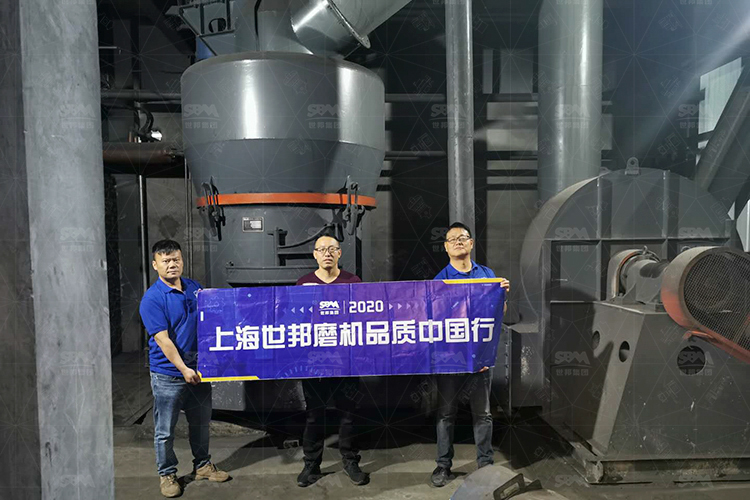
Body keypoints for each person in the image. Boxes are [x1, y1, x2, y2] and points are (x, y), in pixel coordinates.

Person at [139, 239, 229, 498]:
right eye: (166, 261)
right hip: (168, 374)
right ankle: (167, 474)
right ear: (155, 265)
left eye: (176, 259)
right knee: (165, 430)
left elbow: (211, 321)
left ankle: (202, 466)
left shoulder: (194, 287)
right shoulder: (152, 299)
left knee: (200, 423)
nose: (172, 265)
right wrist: (183, 369)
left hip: (199, 370)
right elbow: (163, 340)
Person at [431, 222, 510, 487]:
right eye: (452, 239)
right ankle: (443, 465)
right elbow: (435, 323)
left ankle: (485, 465)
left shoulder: (488, 276)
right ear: (446, 248)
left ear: (471, 243)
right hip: (450, 360)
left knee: (483, 414)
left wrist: (502, 296)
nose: (458, 242)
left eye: (463, 237)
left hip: (479, 359)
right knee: (446, 414)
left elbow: (497, 317)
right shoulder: (439, 281)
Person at [295, 235, 368, 487]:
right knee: (314, 416)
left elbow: (362, 318)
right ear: (315, 254)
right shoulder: (303, 284)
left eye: (332, 249)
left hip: (346, 361)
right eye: (322, 249)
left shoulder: (353, 282)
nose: (327, 253)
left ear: (339, 253)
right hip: (314, 362)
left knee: (348, 415)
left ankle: (351, 462)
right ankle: (311, 465)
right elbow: (296, 321)